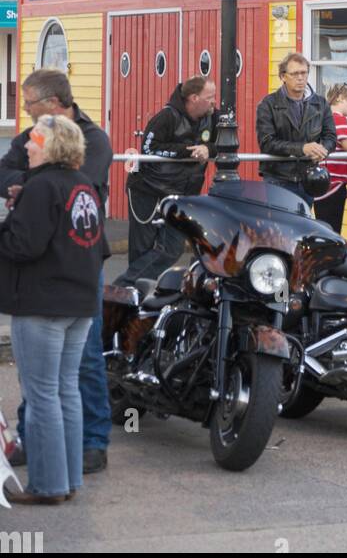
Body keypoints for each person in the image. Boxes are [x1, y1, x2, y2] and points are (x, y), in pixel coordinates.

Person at [0, 68, 113, 476]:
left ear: (50, 102)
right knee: (42, 374)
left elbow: (78, 180)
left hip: (78, 260)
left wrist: (27, 186)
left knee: (81, 362)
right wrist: (27, 181)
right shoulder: (33, 139)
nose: (25, 111)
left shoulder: (95, 139)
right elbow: (3, 171)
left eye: (28, 103)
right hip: (46, 265)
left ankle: (93, 443)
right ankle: (36, 440)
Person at [120, 76, 217, 284]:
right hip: (148, 189)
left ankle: (124, 286)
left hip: (182, 192)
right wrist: (187, 151)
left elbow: (225, 146)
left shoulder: (212, 117)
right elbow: (148, 147)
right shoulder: (166, 116)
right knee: (141, 248)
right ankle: (132, 295)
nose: (214, 102)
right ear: (194, 98)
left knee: (172, 247)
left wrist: (208, 149)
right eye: (210, 97)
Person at [256, 53, 337, 201]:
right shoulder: (268, 104)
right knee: (280, 223)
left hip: (309, 177)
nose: (300, 78)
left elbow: (331, 137)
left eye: (303, 73)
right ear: (283, 76)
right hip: (278, 177)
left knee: (304, 221)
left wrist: (322, 149)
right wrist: (302, 149)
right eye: (294, 74)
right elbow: (267, 142)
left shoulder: (320, 103)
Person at [314, 84, 347, 233]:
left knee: (324, 226)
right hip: (332, 184)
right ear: (340, 98)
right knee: (332, 230)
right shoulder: (337, 119)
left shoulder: (325, 118)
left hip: (327, 183)